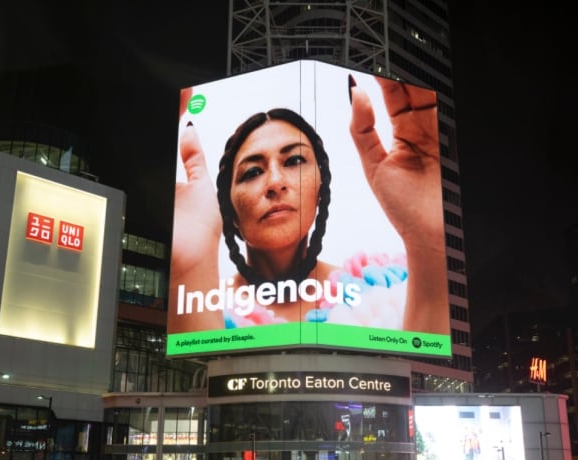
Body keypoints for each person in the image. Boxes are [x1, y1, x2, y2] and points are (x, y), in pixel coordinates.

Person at [171, 73, 448, 335]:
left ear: (321, 189)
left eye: (294, 161)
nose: (275, 182)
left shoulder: (389, 290)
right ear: (229, 210)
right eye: (252, 172)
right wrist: (188, 272)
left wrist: (428, 247)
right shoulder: (204, 306)